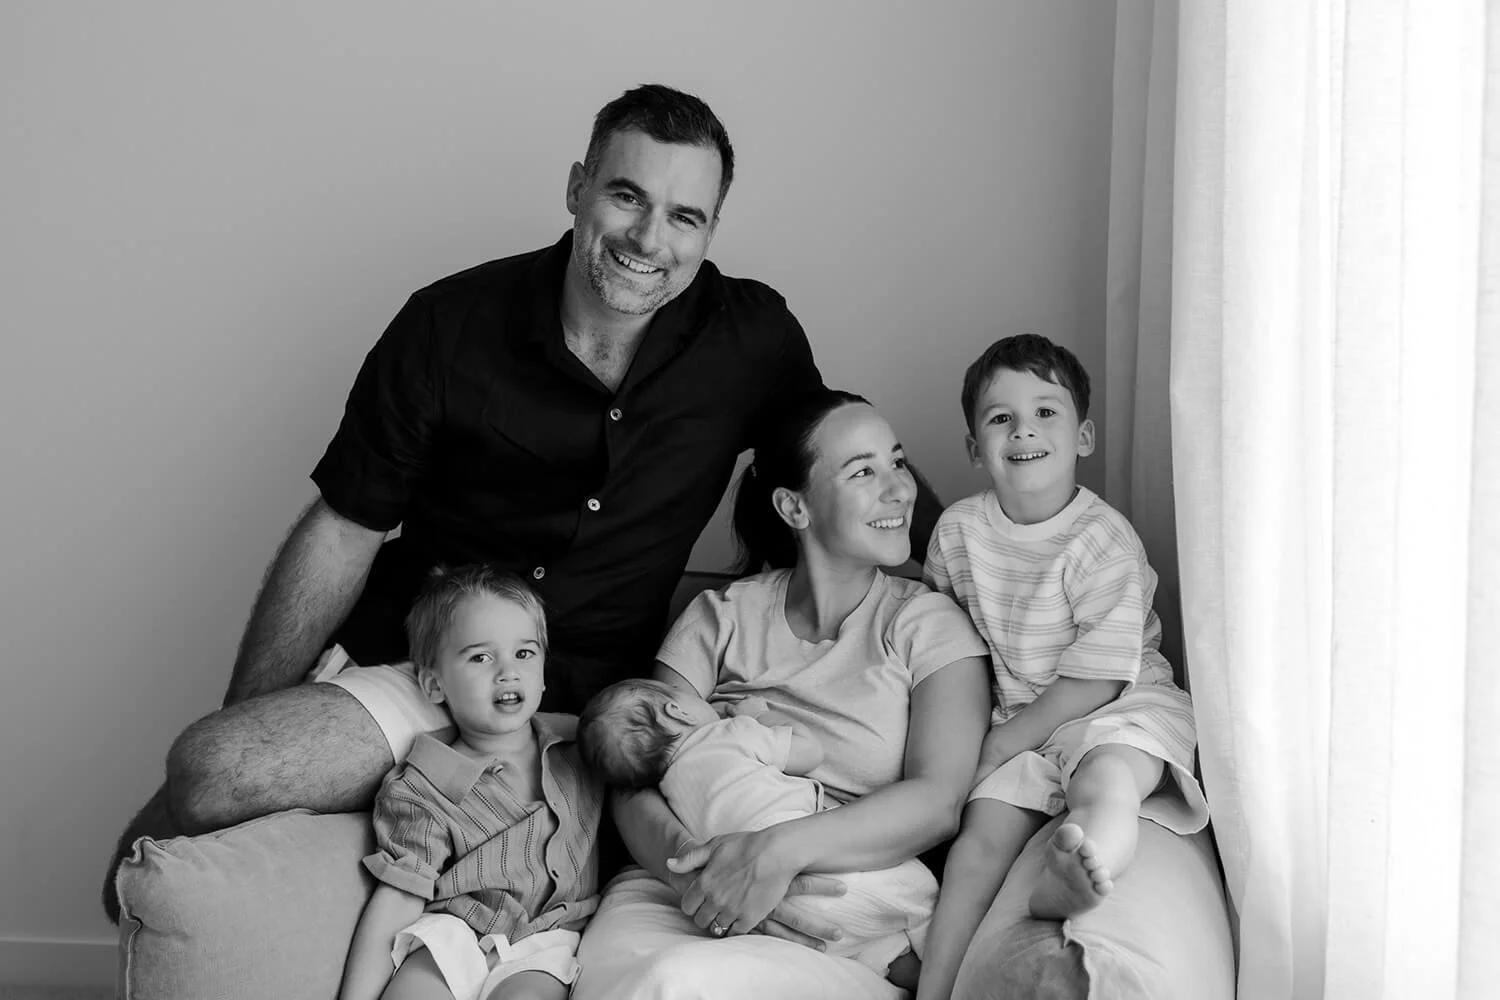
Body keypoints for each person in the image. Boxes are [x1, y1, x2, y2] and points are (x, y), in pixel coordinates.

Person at [105, 83, 947, 923]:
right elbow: (345, 525)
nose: (650, 239)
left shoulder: (750, 337)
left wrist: (982, 547)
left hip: (600, 709)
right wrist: (259, 713)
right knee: (215, 770)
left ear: (710, 231)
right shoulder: (447, 324)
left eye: (685, 216)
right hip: (429, 668)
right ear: (578, 187)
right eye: (627, 196)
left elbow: (835, 461)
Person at [568, 389, 993, 1000]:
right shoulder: (720, 615)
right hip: (681, 882)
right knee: (653, 984)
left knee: (683, 985)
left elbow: (937, 801)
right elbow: (637, 779)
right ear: (794, 507)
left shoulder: (928, 625)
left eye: (897, 462)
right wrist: (704, 873)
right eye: (863, 471)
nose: (901, 489)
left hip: (845, 903)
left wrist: (773, 856)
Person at [913, 334, 1210, 1000]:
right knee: (976, 848)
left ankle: (1080, 868)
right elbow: (942, 638)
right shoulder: (958, 533)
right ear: (974, 447)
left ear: (1083, 436)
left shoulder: (1099, 538)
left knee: (1106, 785)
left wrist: (1000, 744)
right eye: (1001, 418)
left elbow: (1099, 676)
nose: (1024, 430)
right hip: (1019, 717)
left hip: (1116, 709)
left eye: (1046, 412)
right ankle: (935, 989)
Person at [338, 565, 602, 1000]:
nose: (507, 672)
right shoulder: (423, 782)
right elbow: (400, 895)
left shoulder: (580, 747)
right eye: (481, 657)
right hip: (456, 927)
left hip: (545, 938)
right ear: (435, 685)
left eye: (524, 654)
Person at [576, 678, 938, 978]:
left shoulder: (669, 793)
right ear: (676, 710)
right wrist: (760, 715)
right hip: (822, 861)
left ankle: (890, 962)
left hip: (763, 904)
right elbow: (809, 753)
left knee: (860, 945)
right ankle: (938, 965)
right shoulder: (732, 732)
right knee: (922, 895)